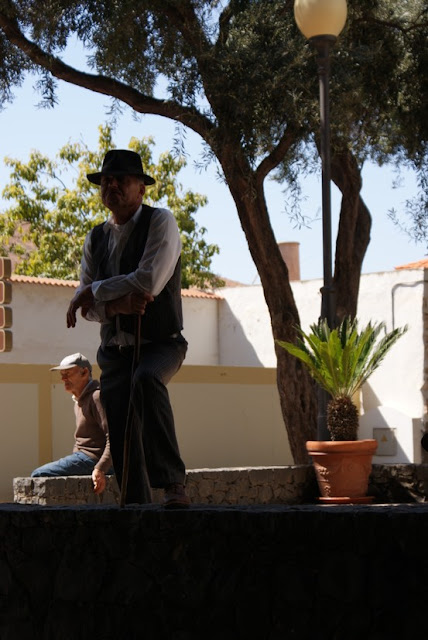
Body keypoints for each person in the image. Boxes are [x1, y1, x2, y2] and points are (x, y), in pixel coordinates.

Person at [66, 149, 190, 508]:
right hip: (115, 351)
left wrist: (95, 292)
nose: (113, 185)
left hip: (161, 343)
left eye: (122, 179)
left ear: (141, 189)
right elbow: (86, 308)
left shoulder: (160, 222)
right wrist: (117, 305)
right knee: (119, 426)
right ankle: (135, 507)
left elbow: (148, 281)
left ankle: (173, 484)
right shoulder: (95, 238)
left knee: (146, 380)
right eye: (107, 180)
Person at [31, 352, 113, 495]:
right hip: (84, 458)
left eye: (68, 373)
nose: (63, 379)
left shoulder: (96, 397)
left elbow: (114, 437)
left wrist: (100, 468)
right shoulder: (79, 400)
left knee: (39, 475)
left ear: (84, 372)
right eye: (62, 374)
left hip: (93, 459)